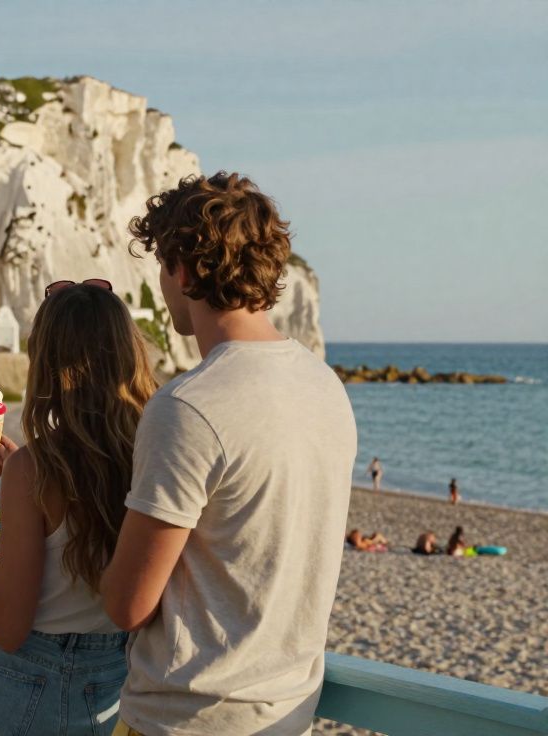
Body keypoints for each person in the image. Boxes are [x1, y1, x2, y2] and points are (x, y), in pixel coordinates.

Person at [99, 172, 356, 736]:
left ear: (184, 271)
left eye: (163, 268)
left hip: (185, 718)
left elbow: (127, 605)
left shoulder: (188, 407)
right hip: (286, 713)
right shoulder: (326, 387)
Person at [0, 280, 158, 735]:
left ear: (48, 366)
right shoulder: (154, 455)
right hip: (113, 684)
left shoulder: (36, 467)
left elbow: (8, 628)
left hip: (21, 689)